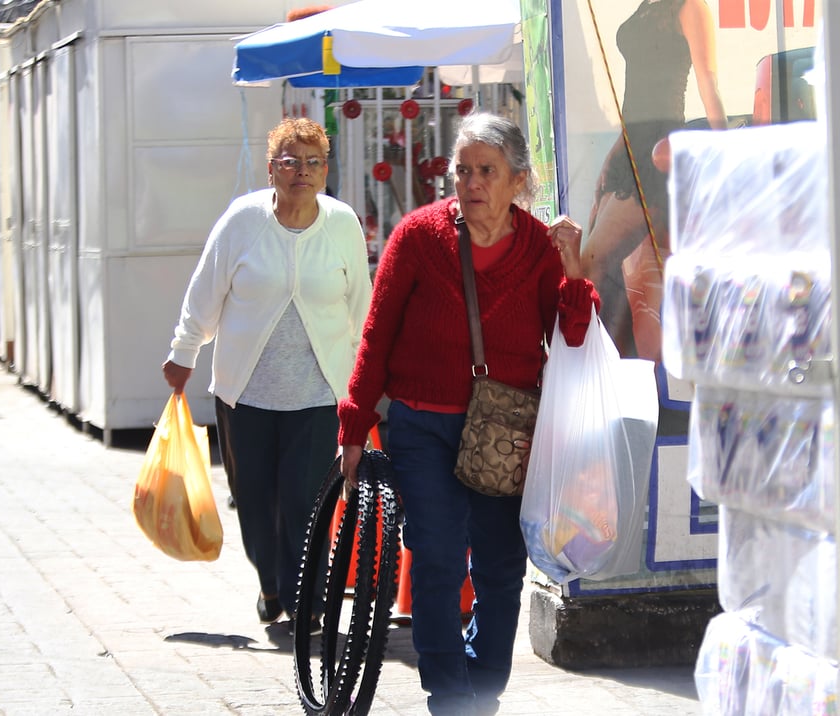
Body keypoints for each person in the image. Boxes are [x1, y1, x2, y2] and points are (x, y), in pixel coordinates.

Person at [337, 113, 599, 716]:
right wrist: (354, 424)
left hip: (505, 432)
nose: (472, 181)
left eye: (487, 170)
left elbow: (574, 336)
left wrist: (573, 266)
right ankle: (449, 696)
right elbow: (375, 338)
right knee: (437, 556)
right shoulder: (417, 237)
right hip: (422, 424)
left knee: (503, 567)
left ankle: (485, 687)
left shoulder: (537, 247)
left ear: (517, 182)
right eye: (464, 169)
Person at [162, 117, 371, 629]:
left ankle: (307, 600)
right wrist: (183, 352)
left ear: (326, 170)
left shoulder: (342, 224)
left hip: (318, 392)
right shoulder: (243, 221)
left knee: (304, 500)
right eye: (290, 161)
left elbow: (361, 306)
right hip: (245, 393)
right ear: (270, 167)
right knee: (255, 502)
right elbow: (204, 291)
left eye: (314, 162)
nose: (302, 172)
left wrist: (366, 377)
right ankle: (270, 581)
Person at [583, 0, 726, 360]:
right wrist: (616, 149)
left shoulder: (691, 6)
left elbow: (709, 84)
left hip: (658, 152)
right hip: (630, 148)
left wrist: (726, 158)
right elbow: (636, 96)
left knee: (593, 263)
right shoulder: (649, 5)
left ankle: (596, 365)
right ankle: (617, 369)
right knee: (626, 279)